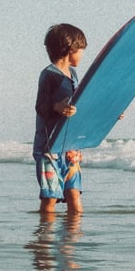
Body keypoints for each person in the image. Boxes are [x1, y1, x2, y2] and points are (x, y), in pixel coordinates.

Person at [33, 23, 87, 215]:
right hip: (50, 148)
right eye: (80, 50)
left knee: (74, 197)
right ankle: (44, 239)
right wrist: (57, 107)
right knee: (50, 198)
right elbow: (40, 106)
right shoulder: (48, 75)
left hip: (70, 148)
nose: (81, 55)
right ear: (69, 49)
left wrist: (110, 113)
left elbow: (82, 106)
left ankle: (70, 242)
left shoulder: (73, 75)